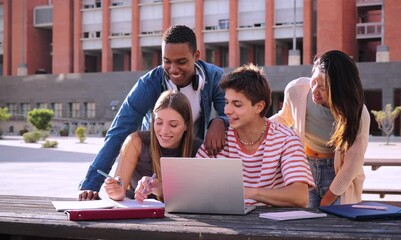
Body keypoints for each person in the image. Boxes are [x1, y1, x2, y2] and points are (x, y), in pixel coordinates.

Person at [79, 25, 227, 200]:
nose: (173, 69)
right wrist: (91, 185)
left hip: (189, 156)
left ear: (196, 56)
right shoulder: (149, 83)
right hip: (153, 161)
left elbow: (231, 112)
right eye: (167, 61)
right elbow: (119, 131)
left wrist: (220, 121)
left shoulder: (214, 76)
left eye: (181, 62)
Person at [196, 64, 314, 207]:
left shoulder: (286, 139)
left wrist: (249, 193)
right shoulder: (219, 137)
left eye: (237, 104)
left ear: (259, 107)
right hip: (225, 222)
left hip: (273, 226)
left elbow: (299, 197)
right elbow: (193, 185)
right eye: (226, 102)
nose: (227, 110)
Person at [270, 50, 370, 208]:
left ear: (340, 89)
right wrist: (255, 124)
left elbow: (352, 165)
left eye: (323, 87)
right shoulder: (297, 90)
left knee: (335, 226)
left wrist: (326, 201)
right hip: (305, 169)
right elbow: (284, 118)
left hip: (337, 174)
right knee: (304, 224)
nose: (315, 90)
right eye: (314, 81)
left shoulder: (358, 114)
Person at [103, 90, 202, 201]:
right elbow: (120, 191)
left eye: (173, 125)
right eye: (159, 122)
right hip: (137, 212)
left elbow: (196, 197)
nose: (164, 131)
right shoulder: (136, 142)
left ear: (187, 125)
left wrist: (161, 189)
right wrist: (115, 191)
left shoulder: (199, 149)